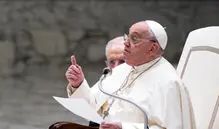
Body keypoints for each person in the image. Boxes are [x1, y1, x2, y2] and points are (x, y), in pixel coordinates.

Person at [65, 20, 196, 129]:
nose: (126, 43)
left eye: (134, 38)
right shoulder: (120, 71)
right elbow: (91, 107)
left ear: (152, 48)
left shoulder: (168, 83)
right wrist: (78, 84)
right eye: (127, 37)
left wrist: (123, 127)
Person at [89, 36, 125, 127]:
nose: (117, 67)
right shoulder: (104, 80)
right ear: (106, 63)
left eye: (122, 61)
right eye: (112, 62)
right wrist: (77, 84)